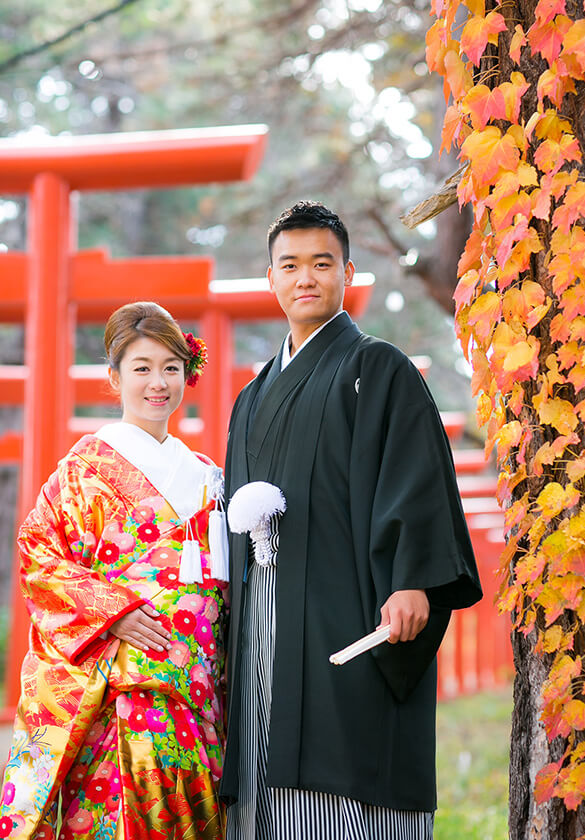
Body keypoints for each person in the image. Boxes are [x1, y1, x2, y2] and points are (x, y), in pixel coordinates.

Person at [221, 202, 483, 840]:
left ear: (348, 272)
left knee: (346, 768)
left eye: (321, 263)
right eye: (290, 265)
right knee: (262, 760)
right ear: (271, 277)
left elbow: (414, 480)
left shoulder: (378, 370)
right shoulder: (250, 398)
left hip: (350, 614)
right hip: (264, 618)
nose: (305, 277)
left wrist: (412, 580)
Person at [0, 302, 229, 840]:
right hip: (122, 675)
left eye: (171, 368)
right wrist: (113, 614)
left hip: (198, 677)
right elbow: (38, 553)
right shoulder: (85, 469)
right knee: (121, 810)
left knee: (195, 813)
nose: (158, 383)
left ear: (187, 374)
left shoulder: (207, 475)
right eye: (142, 368)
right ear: (114, 376)